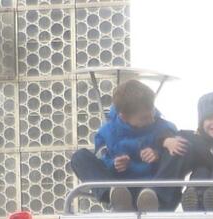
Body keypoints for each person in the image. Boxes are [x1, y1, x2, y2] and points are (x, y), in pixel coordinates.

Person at [68, 78, 184, 211]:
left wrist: (158, 153)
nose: (151, 120)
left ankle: (154, 200)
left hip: (152, 190)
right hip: (122, 189)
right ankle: (114, 197)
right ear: (123, 117)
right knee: (79, 157)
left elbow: (173, 159)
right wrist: (114, 164)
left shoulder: (164, 127)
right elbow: (100, 162)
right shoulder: (107, 132)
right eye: (144, 118)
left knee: (179, 145)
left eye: (152, 112)